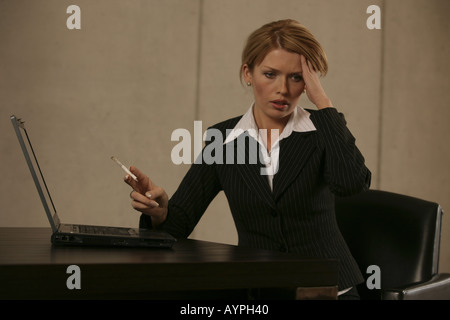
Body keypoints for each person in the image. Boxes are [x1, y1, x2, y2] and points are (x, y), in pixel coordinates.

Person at [124, 19, 371, 300]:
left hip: (328, 289)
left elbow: (352, 184)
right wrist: (160, 212)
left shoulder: (323, 129)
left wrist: (324, 103)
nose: (283, 89)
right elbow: (178, 225)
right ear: (248, 73)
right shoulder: (223, 138)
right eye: (270, 74)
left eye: (296, 77)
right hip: (260, 289)